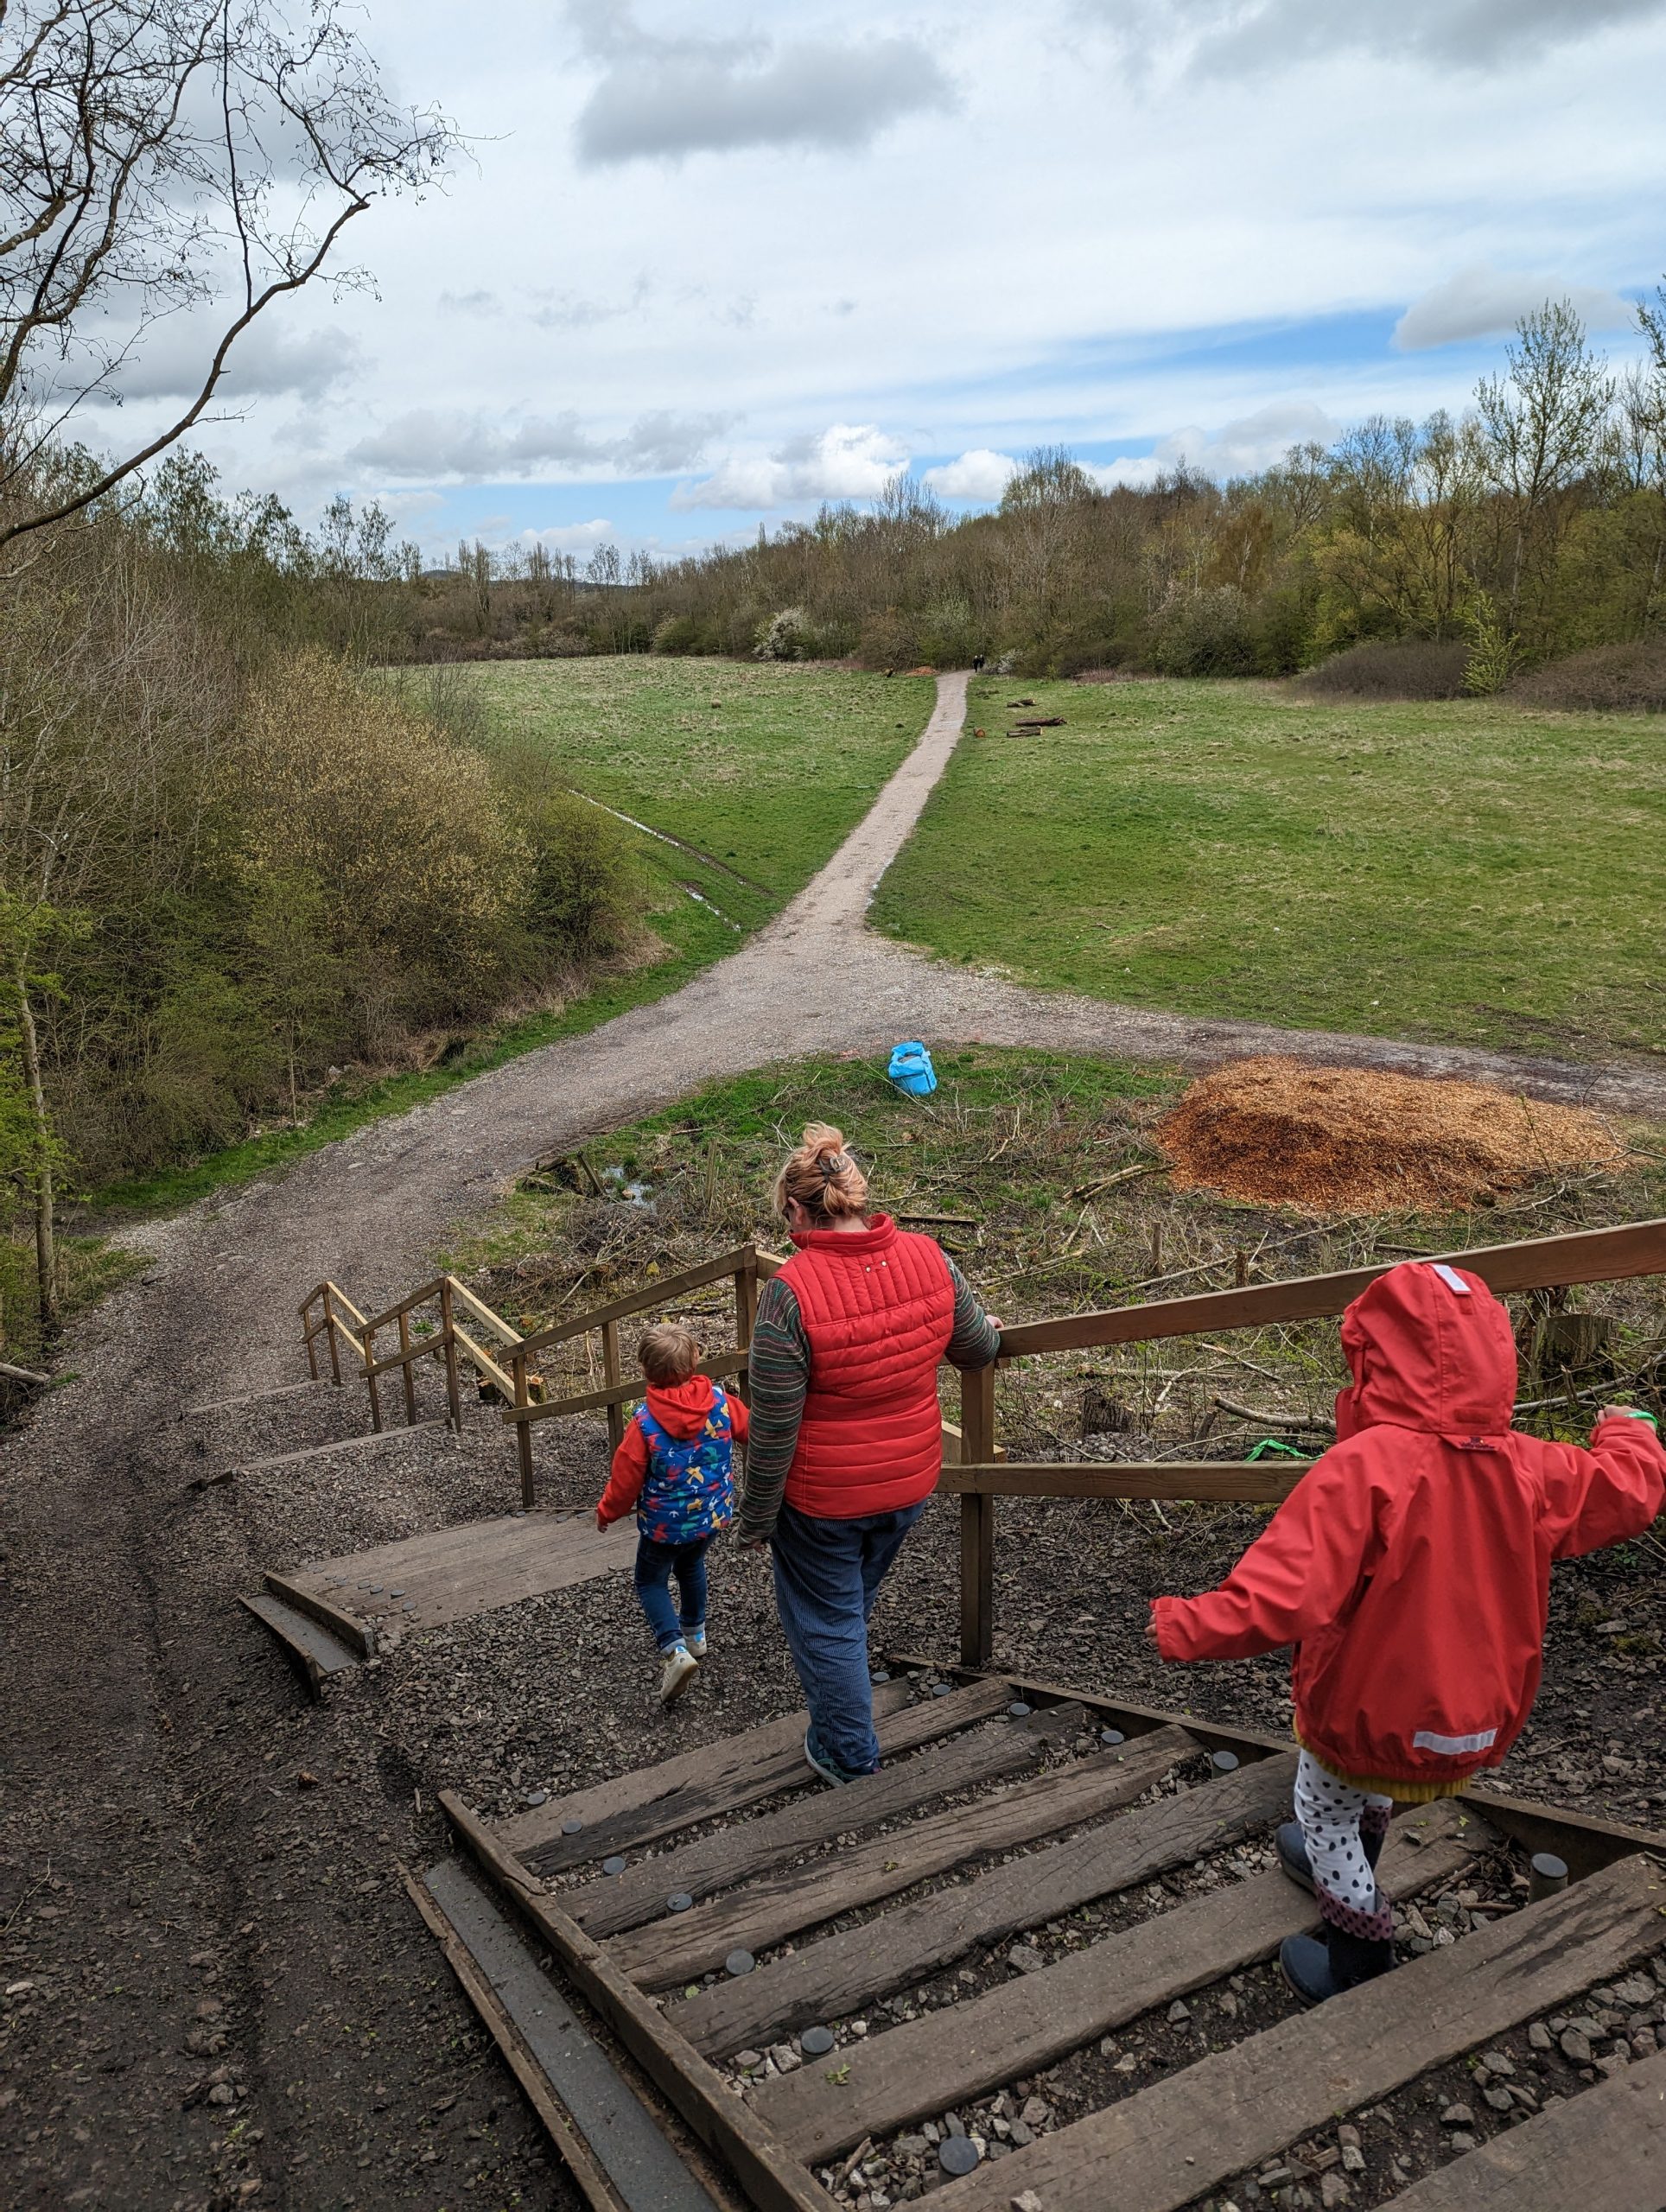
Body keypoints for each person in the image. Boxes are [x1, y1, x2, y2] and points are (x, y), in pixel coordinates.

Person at [1149, 1260, 1665, 2005]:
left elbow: (1283, 1592)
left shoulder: (1365, 1468)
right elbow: (1626, 1490)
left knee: (1321, 1806)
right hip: (1470, 1720)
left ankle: (1358, 1952)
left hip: (1368, 1710)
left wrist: (1185, 1622)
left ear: (1375, 1363)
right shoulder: (1530, 1466)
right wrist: (1628, 1432)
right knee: (1369, 1787)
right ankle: (1356, 1852)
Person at [737, 1122, 1003, 1783]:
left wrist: (757, 1518)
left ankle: (849, 1757)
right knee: (846, 1605)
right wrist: (987, 1327)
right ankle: (840, 1703)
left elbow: (773, 1428)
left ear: (797, 1211)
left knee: (827, 1619)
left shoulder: (788, 1295)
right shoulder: (930, 1257)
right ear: (857, 1195)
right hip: (910, 1481)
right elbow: (976, 1349)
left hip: (825, 1500)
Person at [596, 1320, 748, 1705]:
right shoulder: (721, 1402)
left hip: (665, 1526)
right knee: (692, 1566)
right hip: (712, 1516)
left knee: (649, 1581)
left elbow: (626, 1477)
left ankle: (674, 1650)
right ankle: (695, 1637)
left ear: (645, 1372)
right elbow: (754, 1432)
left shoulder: (644, 1423)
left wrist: (607, 1512)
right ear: (696, 1359)